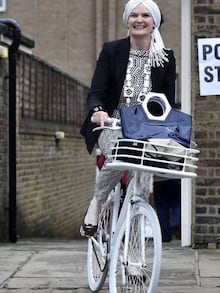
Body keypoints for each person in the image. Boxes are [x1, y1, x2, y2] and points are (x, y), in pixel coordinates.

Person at [79, 0, 176, 237]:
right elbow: (96, 92)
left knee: (142, 179)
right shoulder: (112, 51)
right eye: (134, 15)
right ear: (127, 20)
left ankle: (134, 250)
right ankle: (97, 202)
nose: (139, 20)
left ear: (154, 22)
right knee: (121, 152)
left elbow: (167, 102)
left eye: (145, 15)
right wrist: (98, 111)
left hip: (145, 128)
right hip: (111, 123)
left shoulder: (165, 58)